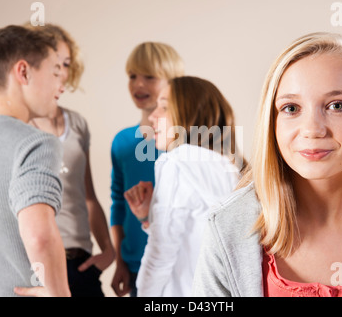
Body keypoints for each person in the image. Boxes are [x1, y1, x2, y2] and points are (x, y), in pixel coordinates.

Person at [192, 32, 342, 297]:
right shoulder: (226, 228)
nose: (312, 129)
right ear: (272, 123)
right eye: (291, 108)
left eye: (337, 105)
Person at [0, 25, 70, 297]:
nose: (62, 84)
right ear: (23, 72)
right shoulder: (36, 142)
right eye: (54, 71)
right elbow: (39, 236)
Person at [124, 76, 245, 297]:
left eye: (164, 107)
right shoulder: (232, 167)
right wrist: (148, 218)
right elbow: (197, 236)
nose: (152, 116)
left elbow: (161, 252)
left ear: (189, 114)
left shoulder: (177, 161)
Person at [25, 23, 115, 297]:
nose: (62, 73)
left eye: (66, 64)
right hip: (35, 268)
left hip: (81, 263)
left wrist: (108, 251)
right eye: (55, 65)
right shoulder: (17, 126)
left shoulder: (77, 124)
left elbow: (87, 197)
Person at [110, 42, 184, 297]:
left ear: (173, 83)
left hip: (179, 265)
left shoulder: (186, 141)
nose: (138, 84)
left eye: (149, 77)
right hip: (135, 266)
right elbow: (118, 204)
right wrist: (120, 261)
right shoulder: (122, 141)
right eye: (132, 76)